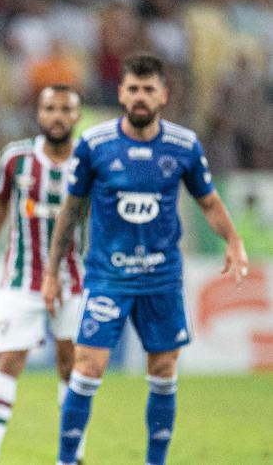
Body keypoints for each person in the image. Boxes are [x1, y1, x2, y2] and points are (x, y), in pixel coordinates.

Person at [42, 55, 249, 465]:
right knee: (87, 366)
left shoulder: (184, 146)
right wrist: (52, 273)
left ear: (163, 95)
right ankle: (66, 461)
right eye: (133, 89)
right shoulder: (95, 145)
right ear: (121, 93)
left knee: (163, 371)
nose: (140, 97)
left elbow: (207, 201)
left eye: (148, 90)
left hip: (162, 278)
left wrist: (234, 241)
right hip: (108, 276)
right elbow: (71, 210)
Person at [0, 85, 86, 465]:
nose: (57, 116)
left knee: (72, 366)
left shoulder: (89, 163)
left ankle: (73, 455)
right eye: (50, 108)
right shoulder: (16, 158)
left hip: (74, 280)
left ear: (76, 117)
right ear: (39, 113)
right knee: (8, 362)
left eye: (65, 109)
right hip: (20, 278)